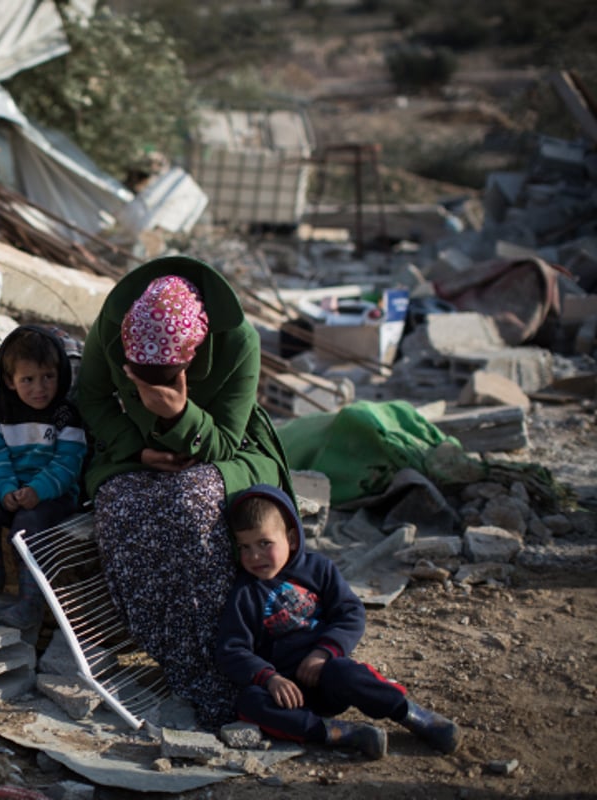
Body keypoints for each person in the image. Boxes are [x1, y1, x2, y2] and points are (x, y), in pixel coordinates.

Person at [75, 254, 292, 728]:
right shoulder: (114, 325)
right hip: (135, 447)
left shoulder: (238, 342)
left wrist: (178, 414)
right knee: (119, 506)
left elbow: (224, 443)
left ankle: (230, 656)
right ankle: (174, 658)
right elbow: (90, 396)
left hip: (228, 452)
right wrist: (138, 450)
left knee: (189, 503)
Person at [216, 484, 462, 759]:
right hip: (287, 691)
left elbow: (350, 612)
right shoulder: (244, 592)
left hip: (326, 674)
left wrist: (323, 653)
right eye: (244, 547)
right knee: (249, 703)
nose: (255, 556)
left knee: (348, 672)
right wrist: (270, 678)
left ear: (292, 539)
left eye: (265, 543)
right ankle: (339, 733)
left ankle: (411, 714)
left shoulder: (318, 569)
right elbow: (232, 648)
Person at [0, 325, 87, 629]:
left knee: (28, 523)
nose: (40, 388)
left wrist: (37, 490)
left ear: (60, 375)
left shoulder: (65, 414)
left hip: (52, 496)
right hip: (11, 490)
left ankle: (30, 601)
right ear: (10, 380)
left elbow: (68, 463)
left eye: (48, 377)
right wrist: (4, 489)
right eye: (27, 380)